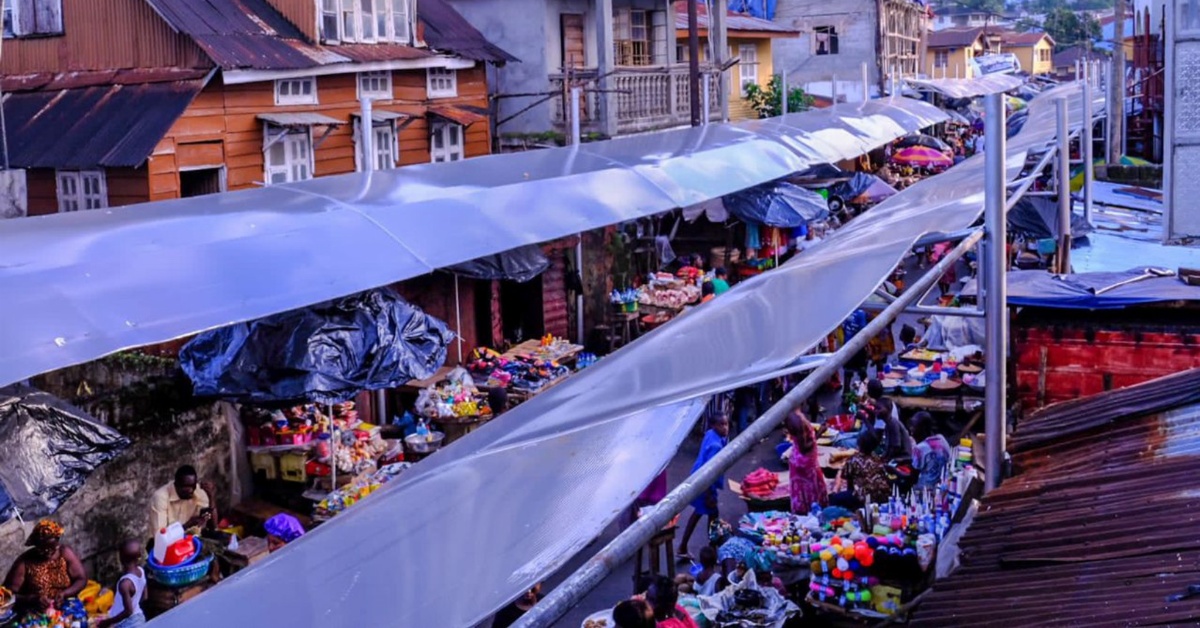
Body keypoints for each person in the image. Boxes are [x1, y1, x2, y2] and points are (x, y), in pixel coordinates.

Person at [4, 520, 87, 619]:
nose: (48, 553)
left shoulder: (65, 553)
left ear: (57, 541)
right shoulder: (25, 562)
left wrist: (65, 593)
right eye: (43, 549)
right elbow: (6, 595)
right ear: (36, 545)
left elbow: (81, 579)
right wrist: (31, 599)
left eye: (52, 548)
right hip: (36, 611)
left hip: (66, 605)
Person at [677, 414, 728, 560]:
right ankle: (711, 551)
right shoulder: (715, 446)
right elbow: (709, 472)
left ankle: (684, 546)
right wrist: (709, 494)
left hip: (697, 478)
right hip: (705, 484)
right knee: (712, 515)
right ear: (714, 426)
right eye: (722, 425)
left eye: (726, 424)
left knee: (701, 513)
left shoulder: (711, 435)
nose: (725, 428)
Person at [149, 465, 216, 538]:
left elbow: (213, 526)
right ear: (176, 485)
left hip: (190, 542)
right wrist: (187, 525)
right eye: (186, 487)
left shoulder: (198, 491)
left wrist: (211, 497)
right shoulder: (161, 497)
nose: (190, 490)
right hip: (165, 545)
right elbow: (160, 537)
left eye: (193, 486)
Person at [832, 429, 891, 507]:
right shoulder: (877, 458)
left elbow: (848, 480)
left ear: (859, 444)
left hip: (865, 498)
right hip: (883, 495)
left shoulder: (854, 459)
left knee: (834, 499)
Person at [785, 409, 828, 514]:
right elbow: (808, 445)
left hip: (797, 462)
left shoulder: (796, 429)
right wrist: (820, 432)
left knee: (800, 487)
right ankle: (815, 508)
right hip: (808, 465)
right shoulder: (806, 431)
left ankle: (801, 508)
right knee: (812, 487)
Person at [96, 540, 146, 628]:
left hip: (127, 624)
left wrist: (107, 622)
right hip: (139, 617)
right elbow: (144, 597)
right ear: (138, 557)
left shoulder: (125, 584)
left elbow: (128, 612)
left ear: (121, 558)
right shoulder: (141, 571)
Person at [910, 412, 951, 490]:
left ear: (923, 428)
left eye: (914, 427)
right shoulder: (942, 439)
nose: (911, 430)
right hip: (942, 487)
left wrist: (894, 471)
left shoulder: (919, 448)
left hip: (924, 490)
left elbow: (912, 478)